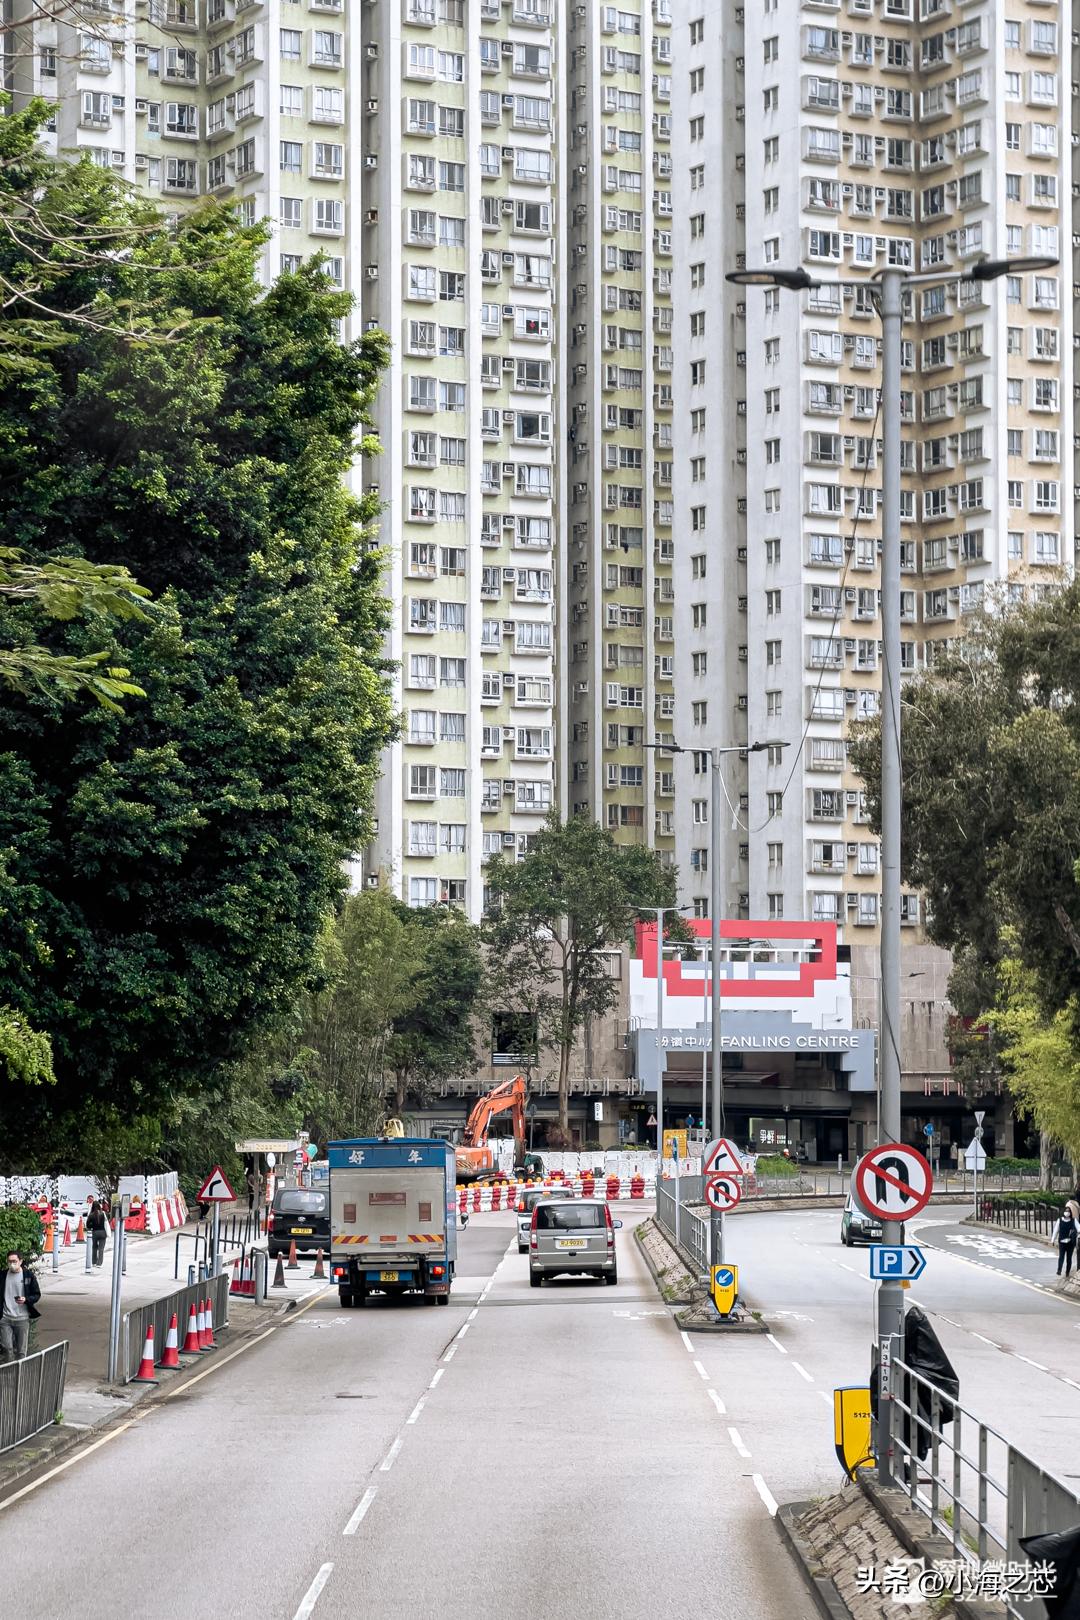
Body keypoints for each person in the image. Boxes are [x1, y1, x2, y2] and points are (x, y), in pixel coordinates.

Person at [1, 1251, 41, 1363]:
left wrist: (26, 1299)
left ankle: (21, 1373)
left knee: (21, 1351)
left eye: (14, 1261)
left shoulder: (28, 1276)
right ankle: (10, 1372)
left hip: (22, 1318)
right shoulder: (3, 1275)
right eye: (9, 1261)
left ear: (21, 1261)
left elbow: (37, 1294)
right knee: (7, 1348)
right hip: (5, 1317)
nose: (12, 1264)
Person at [1055, 1196, 1079, 1285]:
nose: (1067, 1212)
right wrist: (1053, 1240)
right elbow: (1056, 1230)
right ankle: (1059, 1270)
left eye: (1068, 1211)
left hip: (1070, 1241)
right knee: (1063, 1257)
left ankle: (1066, 1271)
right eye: (1066, 1211)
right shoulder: (1077, 1205)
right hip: (1062, 1241)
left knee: (1067, 1257)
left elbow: (1079, 1228)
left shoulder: (1073, 1219)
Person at [87, 1200, 109, 1268]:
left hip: (95, 1233)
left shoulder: (91, 1215)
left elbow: (88, 1225)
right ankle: (99, 1263)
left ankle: (94, 1262)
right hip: (102, 1232)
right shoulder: (103, 1213)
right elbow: (107, 1221)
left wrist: (92, 1226)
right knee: (101, 1249)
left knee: (94, 1248)